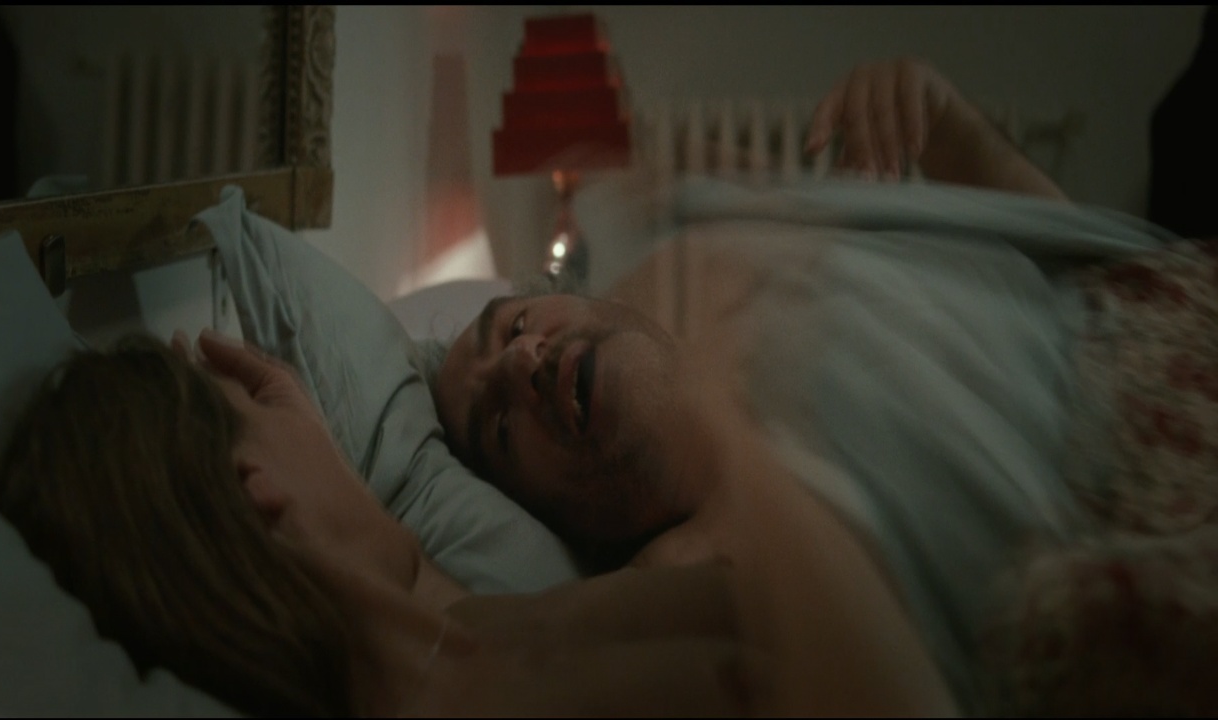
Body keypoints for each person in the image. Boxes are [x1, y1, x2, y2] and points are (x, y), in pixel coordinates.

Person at [432, 56, 1206, 713]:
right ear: (552, 514)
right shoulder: (698, 568)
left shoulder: (726, 263)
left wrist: (948, 126)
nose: (522, 361)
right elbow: (472, 646)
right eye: (499, 428)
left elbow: (1080, 280)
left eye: (515, 323)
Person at [0, 330, 956, 716]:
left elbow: (429, 612)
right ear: (255, 488)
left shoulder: (474, 639)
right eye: (262, 411)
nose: (324, 433)